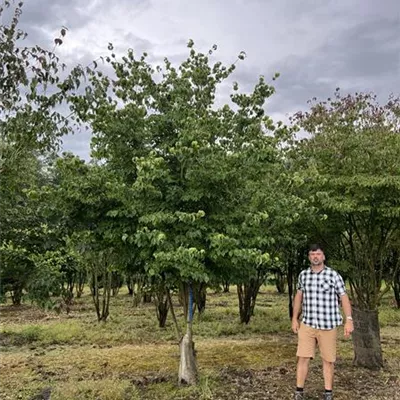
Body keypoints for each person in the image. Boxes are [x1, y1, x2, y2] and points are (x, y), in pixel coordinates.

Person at [291, 244, 354, 400]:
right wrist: (294, 318)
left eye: (318, 254)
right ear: (309, 257)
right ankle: (299, 392)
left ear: (323, 256)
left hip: (328, 325)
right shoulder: (303, 275)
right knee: (303, 357)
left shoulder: (333, 275)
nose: (315, 257)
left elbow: (344, 297)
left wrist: (349, 320)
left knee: (328, 360)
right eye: (312, 254)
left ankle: (328, 393)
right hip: (308, 324)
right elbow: (299, 297)